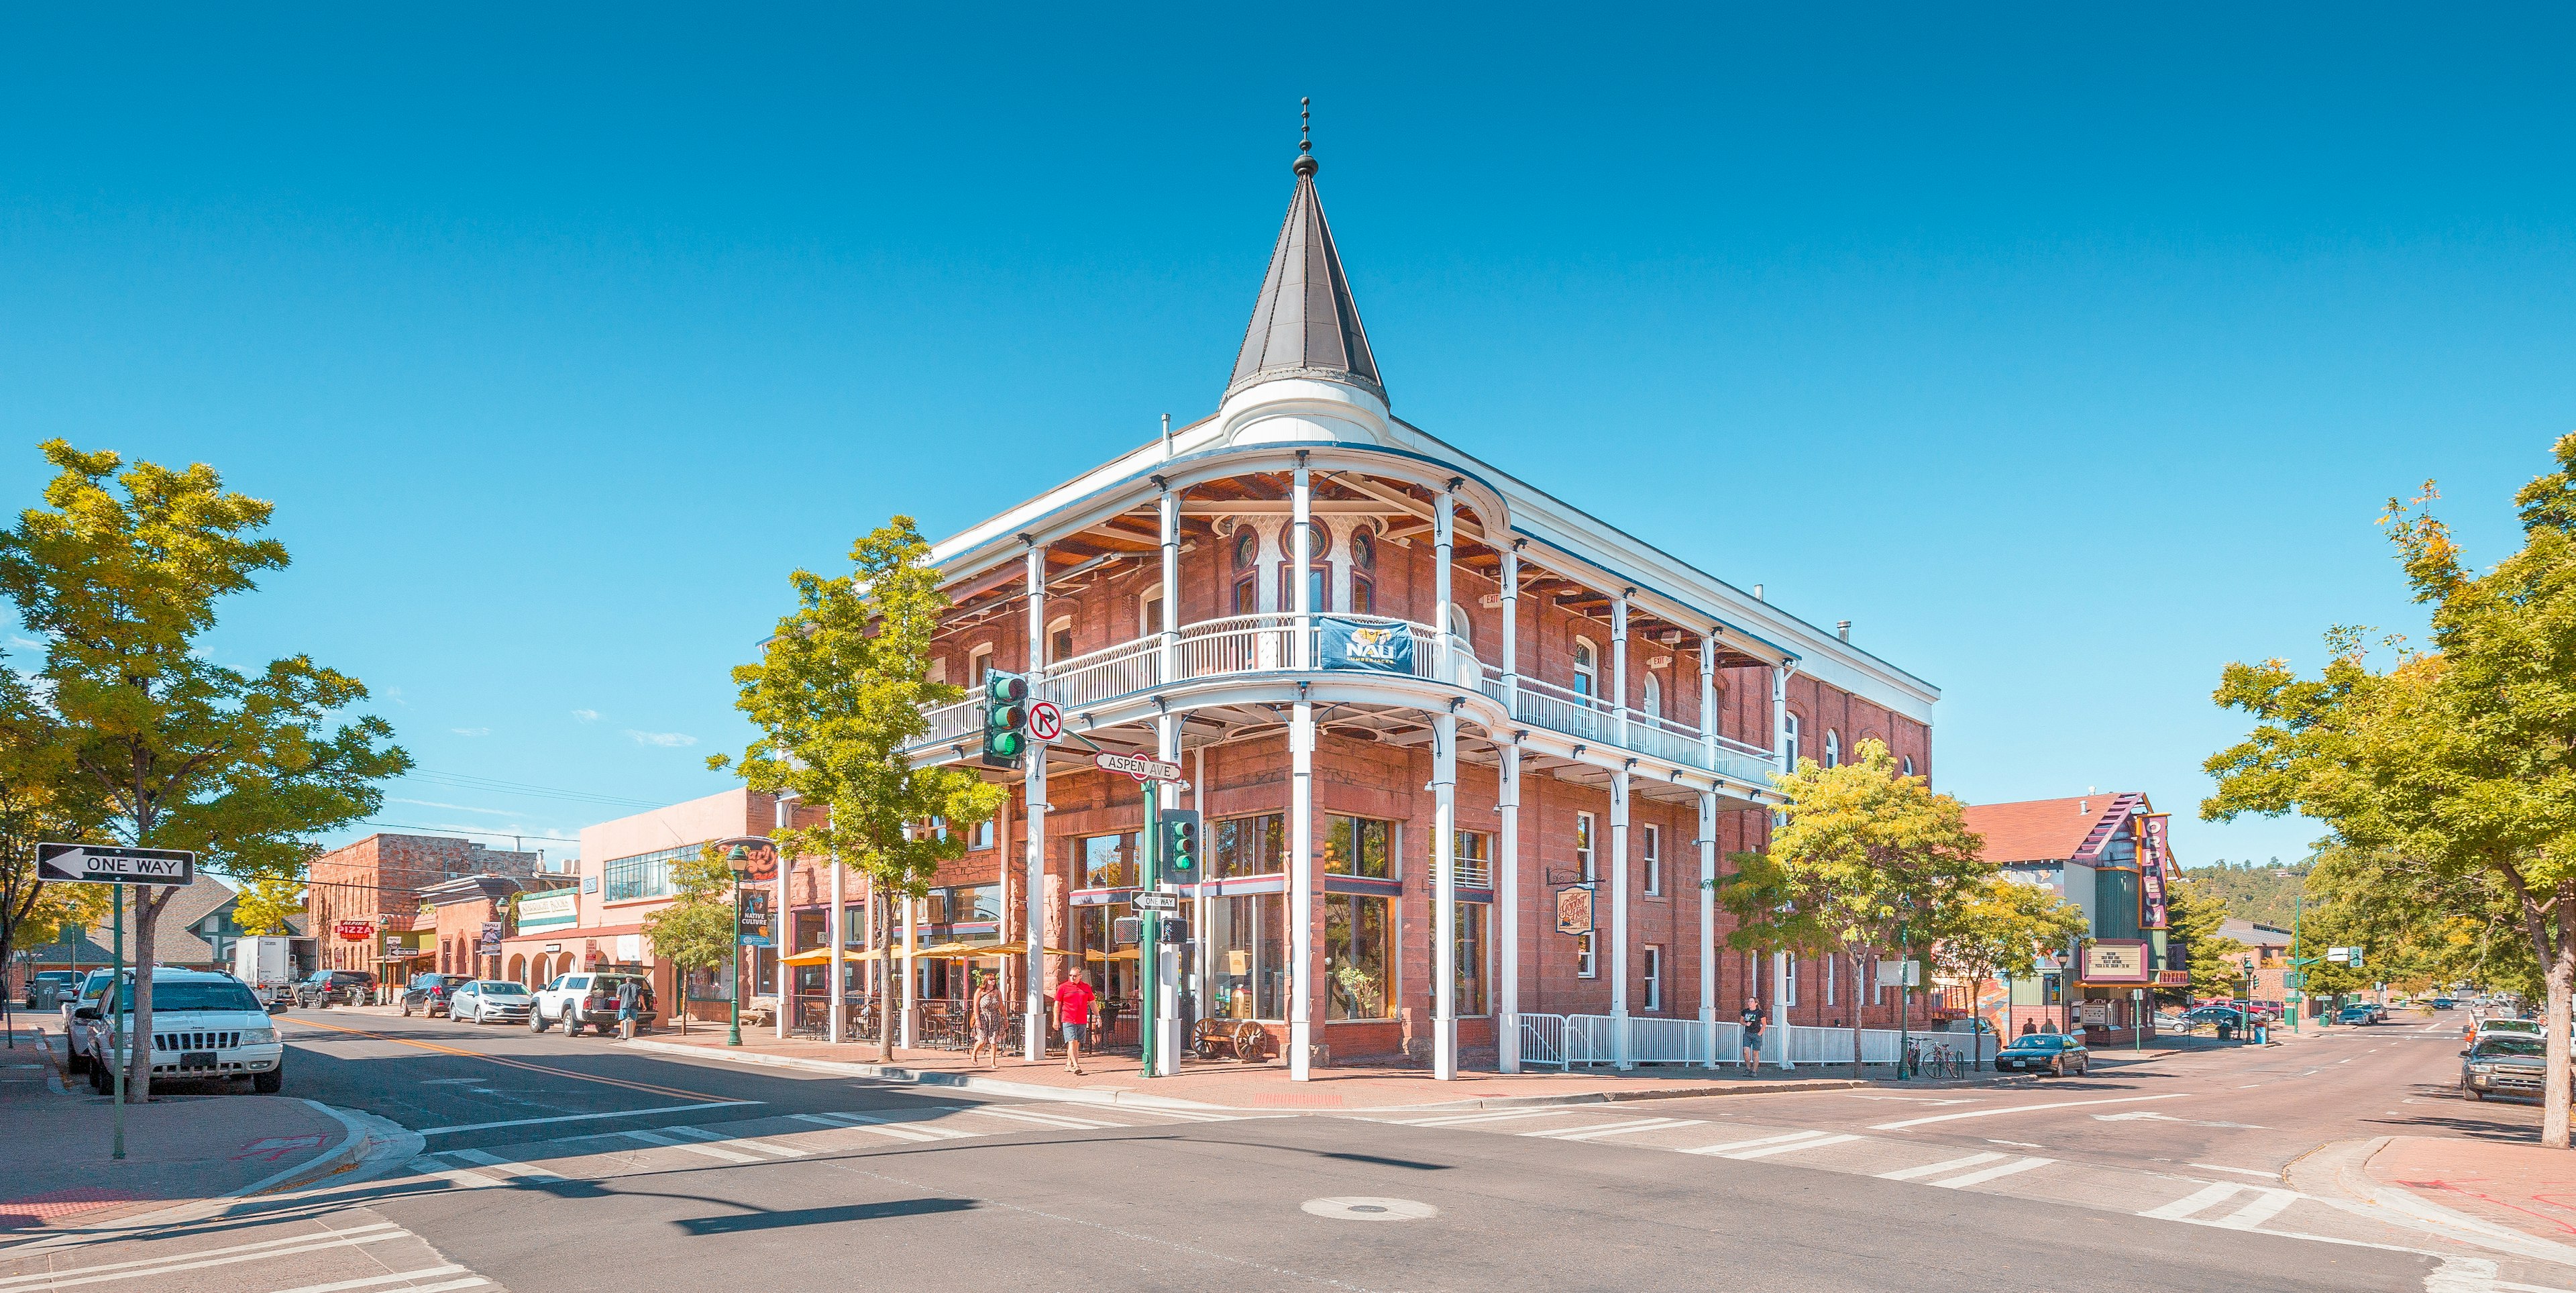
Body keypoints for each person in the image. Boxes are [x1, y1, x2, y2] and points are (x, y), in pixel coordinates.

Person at [1055, 972, 1097, 1075]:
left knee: (1076, 1045)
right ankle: (1076, 1065)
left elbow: (1092, 1002)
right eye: (1070, 975)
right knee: (1072, 1042)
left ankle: (1068, 1065)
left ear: (1080, 976)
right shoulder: (1063, 987)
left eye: (1075, 976)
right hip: (1068, 1019)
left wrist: (1098, 1015)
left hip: (1081, 1020)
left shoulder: (1086, 987)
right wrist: (1056, 1019)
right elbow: (1057, 1004)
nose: (1072, 977)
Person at [968, 973, 1005, 1070]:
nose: (993, 981)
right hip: (983, 1017)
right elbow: (975, 1006)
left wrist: (1005, 1018)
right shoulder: (980, 991)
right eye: (991, 979)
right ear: (986, 980)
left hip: (995, 1017)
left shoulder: (997, 992)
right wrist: (977, 1019)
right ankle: (974, 1053)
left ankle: (993, 1063)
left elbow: (1001, 1005)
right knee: (982, 1040)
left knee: (993, 1041)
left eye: (994, 979)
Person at [1739, 996, 1766, 1072]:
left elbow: (1764, 1024)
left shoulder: (1760, 1012)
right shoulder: (1745, 1011)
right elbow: (1741, 1021)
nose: (1749, 1003)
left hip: (1756, 1034)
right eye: (1749, 1001)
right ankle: (1748, 1068)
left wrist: (1760, 1034)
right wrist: (1745, 1024)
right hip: (1748, 1033)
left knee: (1755, 1053)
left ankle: (1754, 1071)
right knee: (1746, 1052)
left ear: (1756, 1003)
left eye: (1751, 1001)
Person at [615, 977, 641, 1041]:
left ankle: (622, 1033)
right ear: (633, 981)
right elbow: (641, 997)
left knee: (623, 1020)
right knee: (633, 1020)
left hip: (624, 1005)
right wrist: (644, 1006)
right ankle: (632, 1033)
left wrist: (622, 999)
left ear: (626, 981)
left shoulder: (621, 987)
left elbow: (618, 997)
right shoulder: (637, 987)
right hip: (634, 1006)